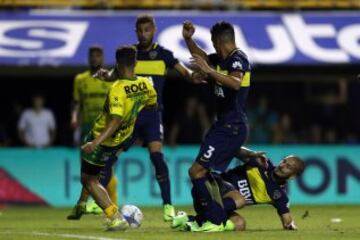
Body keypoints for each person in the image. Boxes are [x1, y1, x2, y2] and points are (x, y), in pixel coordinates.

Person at [95, 14, 202, 221]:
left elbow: (186, 73)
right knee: (110, 158)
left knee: (157, 157)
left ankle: (168, 206)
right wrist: (105, 76)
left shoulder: (164, 55)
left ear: (154, 30)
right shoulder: (131, 55)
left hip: (152, 115)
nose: (144, 34)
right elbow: (114, 75)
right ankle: (97, 202)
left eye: (147, 30)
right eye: (140, 30)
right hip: (129, 117)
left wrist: (195, 76)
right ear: (136, 31)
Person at [181, 20, 252, 231]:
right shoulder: (220, 59)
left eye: (213, 43)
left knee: (197, 172)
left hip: (232, 127)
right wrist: (188, 39)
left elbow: (235, 83)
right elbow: (202, 57)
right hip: (223, 126)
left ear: (220, 42)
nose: (212, 47)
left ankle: (213, 219)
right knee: (203, 173)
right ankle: (216, 215)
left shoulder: (238, 59)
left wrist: (209, 72)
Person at [77, 46, 157, 231]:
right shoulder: (146, 84)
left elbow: (115, 120)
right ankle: (113, 214)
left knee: (88, 180)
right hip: (123, 139)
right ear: (136, 63)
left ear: (117, 65)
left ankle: (114, 216)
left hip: (104, 140)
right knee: (95, 177)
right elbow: (153, 105)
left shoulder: (117, 89)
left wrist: (94, 143)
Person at [172, 147, 305, 232]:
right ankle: (198, 220)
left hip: (214, 205)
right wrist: (251, 154)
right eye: (284, 161)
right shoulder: (262, 163)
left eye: (288, 167)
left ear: (292, 176)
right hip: (209, 186)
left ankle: (189, 220)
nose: (282, 166)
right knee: (240, 199)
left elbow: (287, 222)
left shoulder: (279, 196)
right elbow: (235, 149)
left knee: (239, 224)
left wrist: (290, 225)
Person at [67, 46, 119, 219]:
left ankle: (106, 207)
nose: (95, 58)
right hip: (86, 129)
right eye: (92, 56)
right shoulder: (80, 79)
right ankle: (84, 203)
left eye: (98, 55)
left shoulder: (110, 79)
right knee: (86, 172)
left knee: (104, 168)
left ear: (102, 58)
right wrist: (74, 117)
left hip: (106, 130)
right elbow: (76, 103)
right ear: (89, 58)